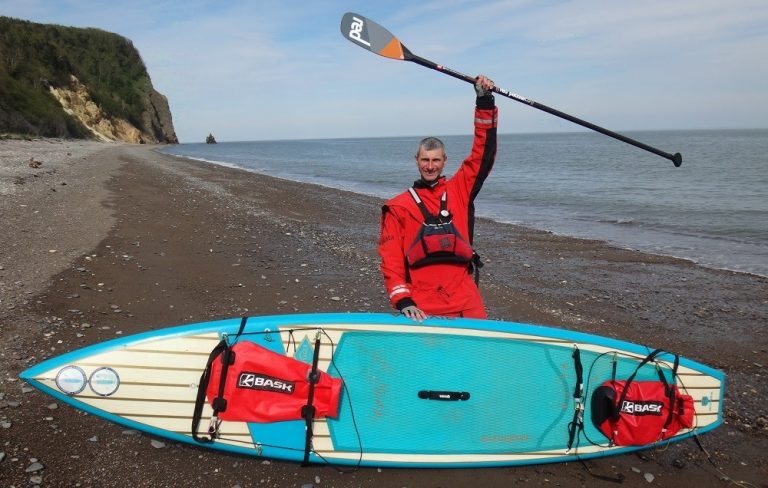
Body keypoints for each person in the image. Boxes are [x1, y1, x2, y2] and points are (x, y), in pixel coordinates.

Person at [378, 75, 497, 322]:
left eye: (435, 160)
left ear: (444, 161)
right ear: (416, 160)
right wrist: (403, 300)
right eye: (425, 160)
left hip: (465, 298)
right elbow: (391, 260)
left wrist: (484, 102)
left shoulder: (460, 190)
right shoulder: (397, 207)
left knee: (474, 358)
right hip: (421, 304)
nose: (430, 166)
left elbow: (482, 154)